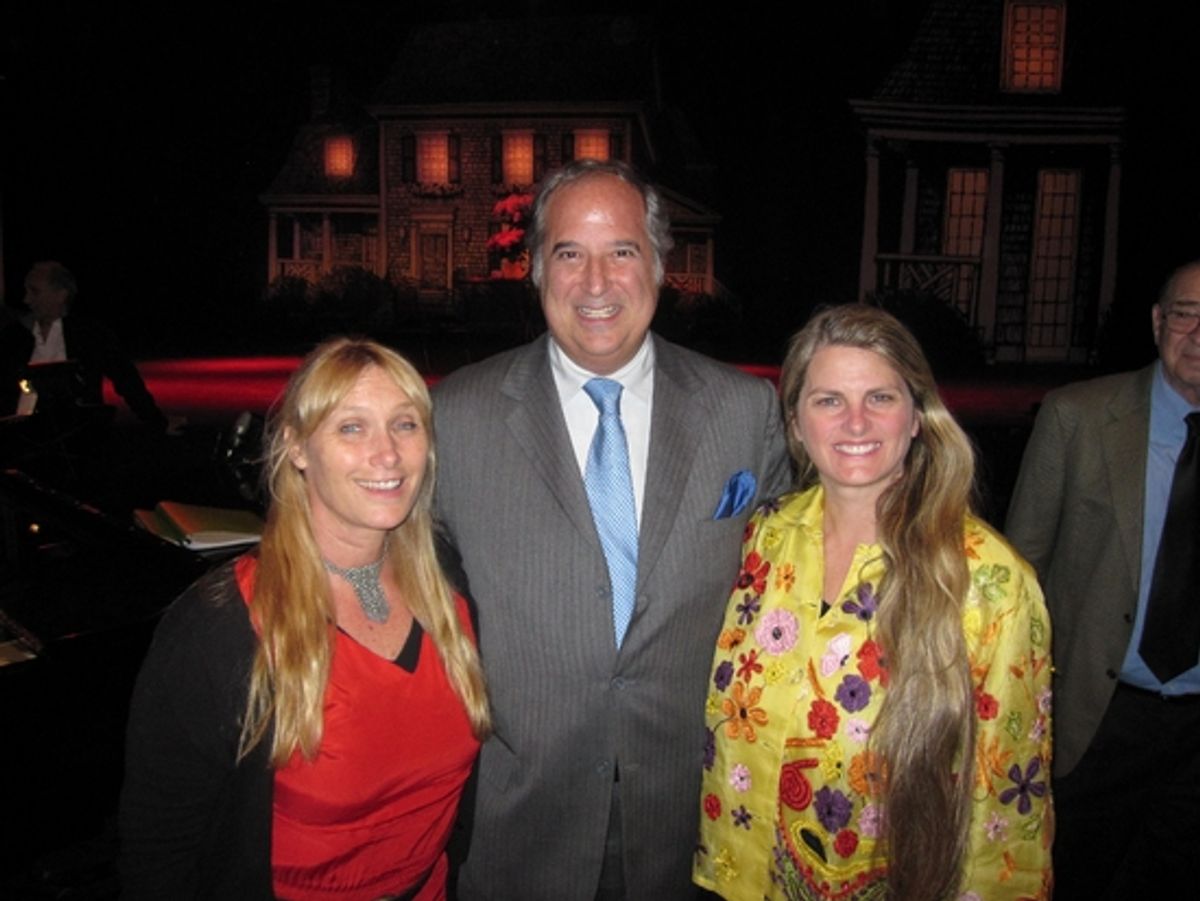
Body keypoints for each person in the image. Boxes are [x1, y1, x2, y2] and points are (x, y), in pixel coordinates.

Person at [432, 159, 791, 899]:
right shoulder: (455, 418)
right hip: (517, 829)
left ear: (661, 266)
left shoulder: (745, 412)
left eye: (621, 251)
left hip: (690, 833)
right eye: (569, 253)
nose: (595, 283)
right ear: (534, 269)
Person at [695, 305, 1052, 901]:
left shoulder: (988, 579)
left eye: (880, 398)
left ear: (917, 417)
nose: (855, 422)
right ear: (796, 422)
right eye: (829, 400)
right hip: (736, 876)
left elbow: (1010, 811)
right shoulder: (763, 539)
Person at [119, 338, 490, 900]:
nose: (387, 454)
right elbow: (159, 850)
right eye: (351, 428)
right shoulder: (220, 629)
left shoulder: (452, 586)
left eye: (406, 424)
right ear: (296, 446)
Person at [1005, 261, 1200, 899]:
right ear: (1157, 322)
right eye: (1185, 313)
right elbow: (1020, 572)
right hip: (1097, 715)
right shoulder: (1078, 417)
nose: (1198, 333)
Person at [0, 260, 166, 428]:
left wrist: (156, 420)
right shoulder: (15, 336)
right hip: (20, 433)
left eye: (35, 292)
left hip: (76, 431)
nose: (27, 299)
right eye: (27, 291)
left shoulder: (89, 335)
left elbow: (125, 378)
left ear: (60, 295)